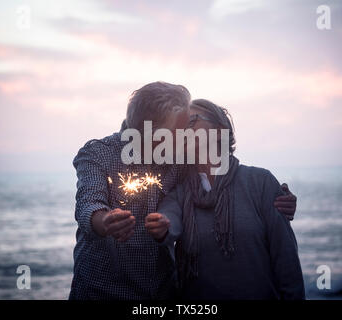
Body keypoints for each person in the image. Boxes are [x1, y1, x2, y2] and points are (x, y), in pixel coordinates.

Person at [69, 82, 298, 299]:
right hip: (102, 290)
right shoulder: (100, 154)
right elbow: (88, 202)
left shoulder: (187, 160)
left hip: (162, 293)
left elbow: (222, 175)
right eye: (182, 127)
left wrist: (279, 198)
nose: (187, 132)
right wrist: (104, 221)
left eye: (191, 122)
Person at [146, 99, 305, 299]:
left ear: (220, 130)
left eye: (192, 120)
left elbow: (286, 259)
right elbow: (169, 221)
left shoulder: (260, 182)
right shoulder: (179, 191)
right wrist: (161, 226)